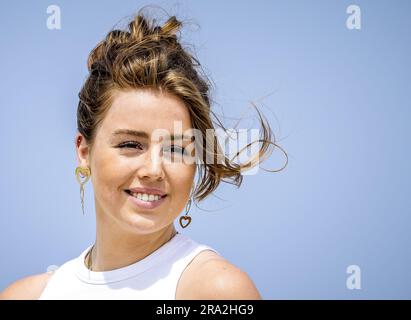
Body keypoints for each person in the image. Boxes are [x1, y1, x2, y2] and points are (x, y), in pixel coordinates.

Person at [0, 6, 286, 300]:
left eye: (175, 149)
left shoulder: (214, 290)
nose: (153, 169)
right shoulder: (26, 295)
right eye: (130, 145)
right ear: (84, 152)